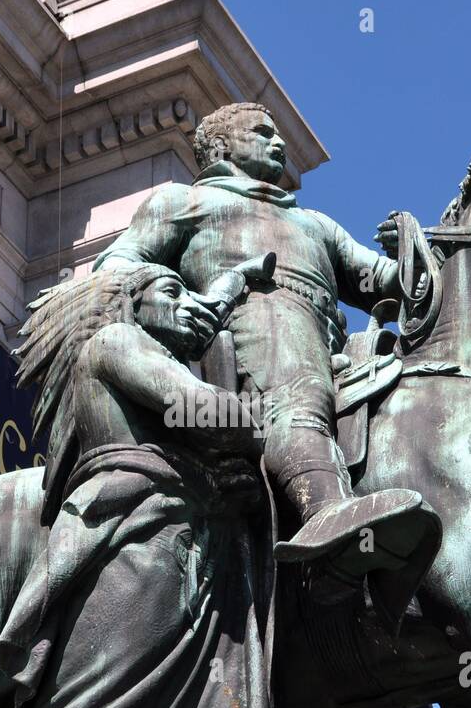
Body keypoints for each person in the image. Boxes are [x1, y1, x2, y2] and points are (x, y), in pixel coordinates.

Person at [95, 102, 439, 615]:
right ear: (221, 147)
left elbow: (383, 282)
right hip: (245, 330)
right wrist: (168, 298)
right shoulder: (184, 202)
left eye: (278, 135)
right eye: (261, 133)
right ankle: (326, 515)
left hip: (328, 348)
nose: (278, 143)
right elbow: (117, 263)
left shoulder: (313, 223)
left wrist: (415, 248)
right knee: (294, 370)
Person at [0, 258, 280, 708]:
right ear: (130, 303)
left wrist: (237, 281)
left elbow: (205, 318)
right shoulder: (117, 341)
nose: (188, 305)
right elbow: (207, 411)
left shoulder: (151, 348)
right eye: (171, 291)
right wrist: (274, 418)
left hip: (180, 549)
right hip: (141, 547)